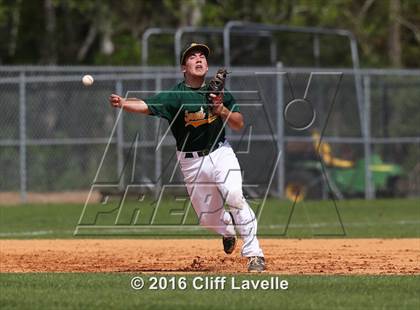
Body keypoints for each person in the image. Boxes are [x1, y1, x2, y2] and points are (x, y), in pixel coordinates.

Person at [109, 43, 265, 272]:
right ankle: (228, 230)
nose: (199, 59)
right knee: (207, 219)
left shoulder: (217, 93)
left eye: (202, 56)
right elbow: (146, 106)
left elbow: (239, 123)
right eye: (193, 57)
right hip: (191, 162)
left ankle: (254, 255)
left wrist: (220, 109)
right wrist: (123, 103)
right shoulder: (175, 96)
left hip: (220, 152)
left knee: (234, 195)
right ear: (184, 67)